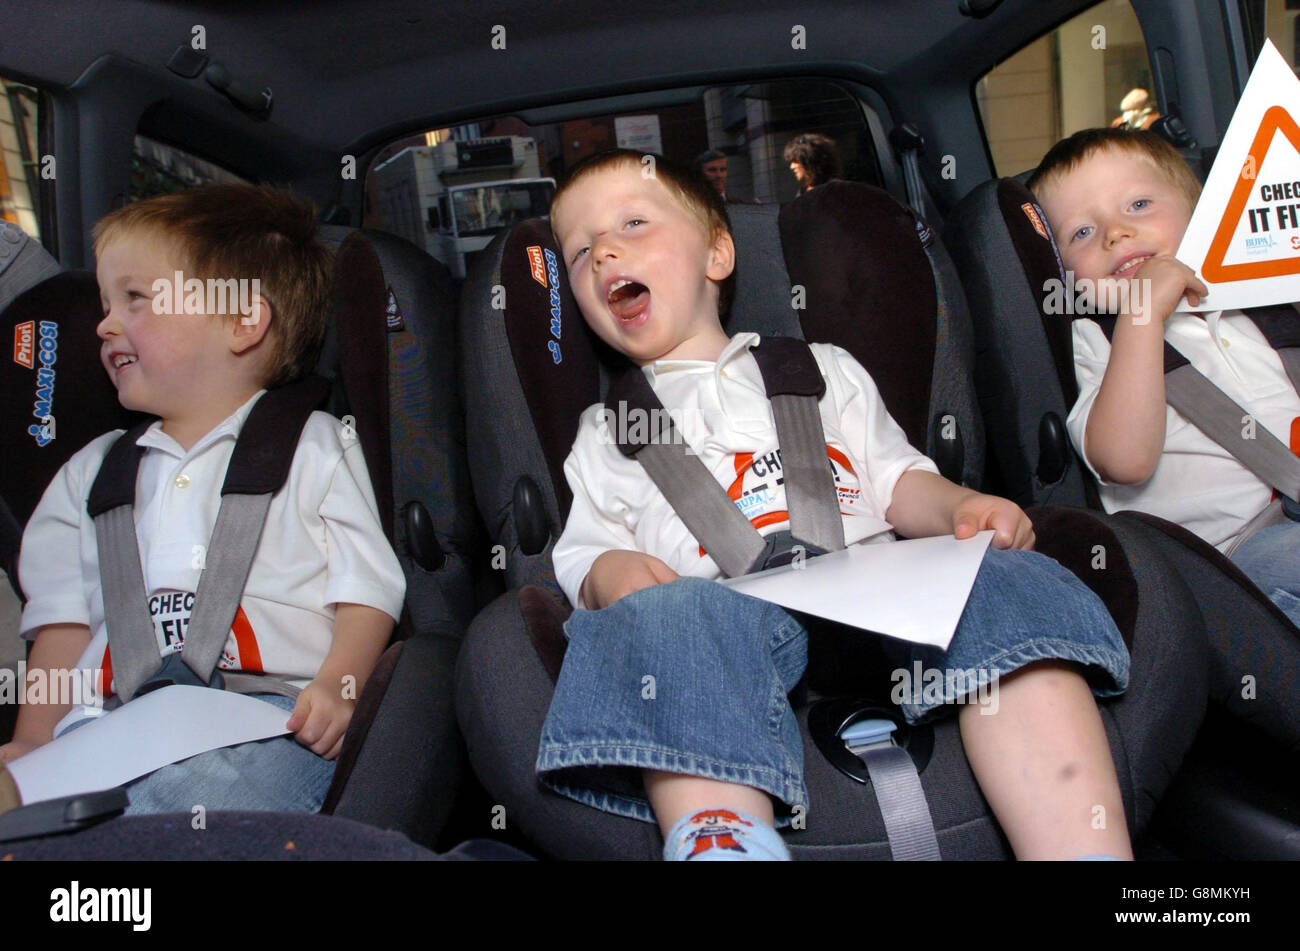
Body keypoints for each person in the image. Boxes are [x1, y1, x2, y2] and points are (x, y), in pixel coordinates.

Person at [540, 149, 1132, 861]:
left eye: (633, 223)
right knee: (663, 621)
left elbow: (896, 479)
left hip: (883, 601)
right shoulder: (608, 430)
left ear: (718, 254)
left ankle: (1078, 845)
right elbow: (581, 550)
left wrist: (961, 505)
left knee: (1001, 577)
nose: (604, 250)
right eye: (578, 254)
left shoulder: (824, 369)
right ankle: (725, 844)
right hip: (725, 630)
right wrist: (614, 574)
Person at [0, 184, 406, 815]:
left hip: (264, 717)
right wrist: (31, 741)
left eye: (135, 299)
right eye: (106, 304)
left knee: (175, 806)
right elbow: (63, 624)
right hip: (106, 722)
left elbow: (365, 589)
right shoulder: (90, 474)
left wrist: (339, 684)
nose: (105, 323)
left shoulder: (315, 446)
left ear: (243, 320)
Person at [1029, 128, 1300, 625]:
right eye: (1082, 233)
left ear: (1200, 212)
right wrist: (1142, 315)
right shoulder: (1099, 342)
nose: (1115, 232)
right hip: (1231, 564)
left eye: (1138, 205)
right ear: (1065, 276)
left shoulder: (1266, 302)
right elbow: (1123, 461)